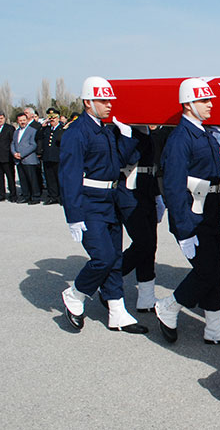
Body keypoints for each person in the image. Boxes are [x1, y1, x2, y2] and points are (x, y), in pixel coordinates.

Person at [155, 78, 220, 347]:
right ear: (188, 104)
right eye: (204, 101)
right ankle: (169, 306)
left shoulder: (204, 133)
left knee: (216, 268)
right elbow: (172, 186)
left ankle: (214, 327)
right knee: (206, 270)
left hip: (210, 210)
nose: (210, 105)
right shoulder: (181, 138)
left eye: (210, 100)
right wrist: (183, 229)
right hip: (193, 216)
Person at [59, 76, 147, 334]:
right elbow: (69, 176)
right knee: (103, 258)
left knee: (116, 259)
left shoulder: (106, 129)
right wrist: (73, 215)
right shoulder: (77, 132)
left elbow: (120, 160)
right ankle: (75, 293)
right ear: (88, 102)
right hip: (88, 203)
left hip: (109, 201)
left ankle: (117, 311)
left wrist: (128, 136)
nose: (109, 104)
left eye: (110, 100)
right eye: (103, 100)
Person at [116, 125, 166, 312]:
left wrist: (157, 195)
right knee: (143, 242)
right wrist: (128, 135)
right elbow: (127, 159)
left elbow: (152, 166)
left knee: (150, 244)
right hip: (128, 192)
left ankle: (146, 297)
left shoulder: (147, 131)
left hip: (147, 191)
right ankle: (110, 277)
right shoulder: (122, 131)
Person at [12, 113, 41, 204]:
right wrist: (14, 153)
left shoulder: (32, 131)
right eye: (20, 120)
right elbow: (13, 143)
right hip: (18, 159)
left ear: (27, 120)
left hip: (29, 159)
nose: (22, 122)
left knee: (32, 179)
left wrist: (22, 154)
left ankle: (35, 196)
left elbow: (33, 145)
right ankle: (26, 195)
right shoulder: (16, 132)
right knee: (23, 179)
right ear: (18, 121)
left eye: (24, 120)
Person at [36, 108, 63, 205]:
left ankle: (61, 197)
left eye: (54, 118)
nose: (52, 120)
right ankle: (53, 196)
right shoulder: (46, 129)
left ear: (58, 118)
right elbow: (38, 137)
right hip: (47, 157)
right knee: (50, 178)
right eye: (50, 118)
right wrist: (42, 126)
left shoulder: (62, 129)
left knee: (59, 178)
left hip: (58, 158)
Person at [0, 112, 17, 202]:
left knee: (10, 177)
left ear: (5, 118)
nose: (0, 120)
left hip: (7, 157)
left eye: (1, 118)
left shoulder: (10, 128)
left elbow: (13, 142)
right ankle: (1, 194)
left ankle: (13, 194)